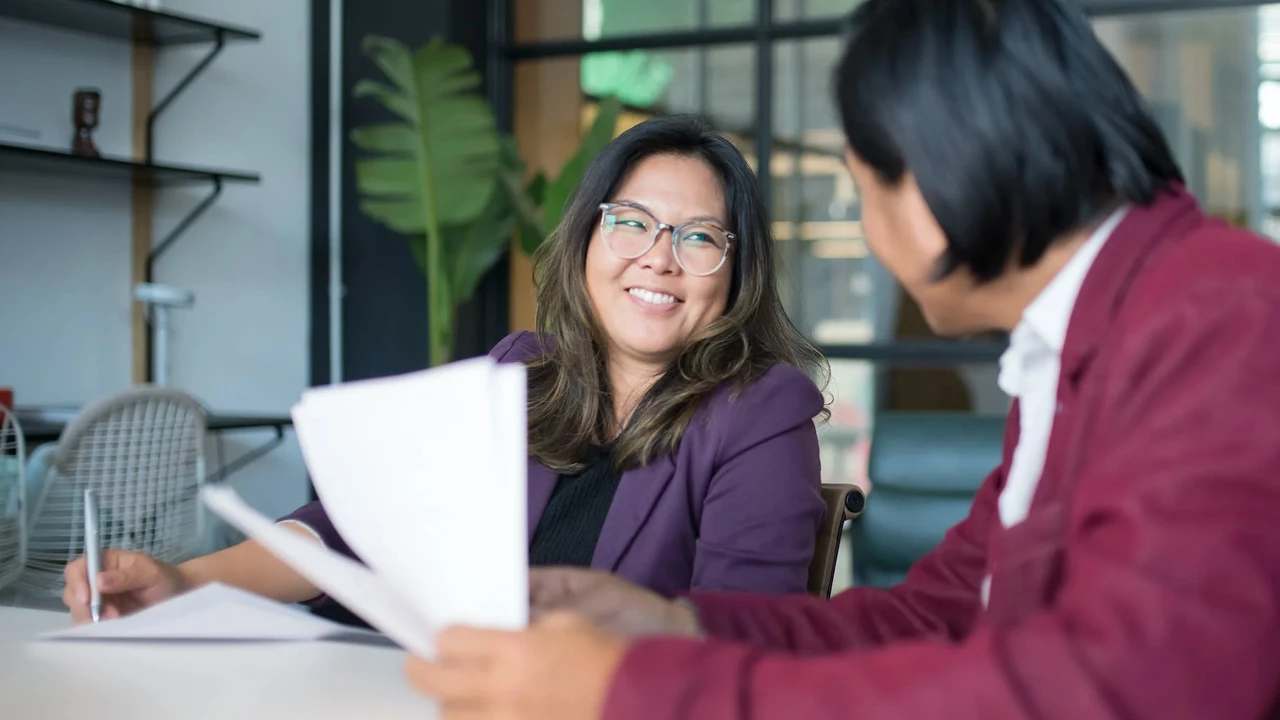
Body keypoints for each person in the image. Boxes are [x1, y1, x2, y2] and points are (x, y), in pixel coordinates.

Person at [402, 1, 1280, 718]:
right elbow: (936, 616)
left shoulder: (1221, 312)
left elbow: (1132, 687)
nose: (867, 226)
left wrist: (627, 686)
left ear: (938, 181)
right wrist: (676, 625)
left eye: (862, 187)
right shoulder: (1075, 347)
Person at [61, 117, 832, 623]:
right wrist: (186, 586)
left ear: (736, 273)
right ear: (587, 240)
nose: (657, 257)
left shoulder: (762, 411)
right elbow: (349, 529)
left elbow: (745, 633)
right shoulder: (521, 373)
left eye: (699, 238)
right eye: (630, 222)